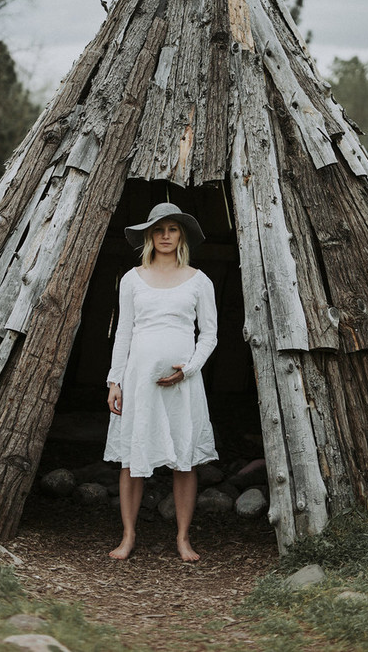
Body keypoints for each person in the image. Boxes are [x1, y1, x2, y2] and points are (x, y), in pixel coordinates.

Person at [104, 202, 218, 561]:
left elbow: (210, 334)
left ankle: (183, 539)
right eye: (158, 229)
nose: (165, 236)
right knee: (131, 458)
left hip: (183, 382)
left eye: (172, 229)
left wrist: (189, 368)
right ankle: (128, 536)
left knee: (184, 460)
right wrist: (115, 381)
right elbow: (123, 332)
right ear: (150, 236)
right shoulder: (132, 279)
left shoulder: (199, 281)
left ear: (181, 234)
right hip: (139, 381)